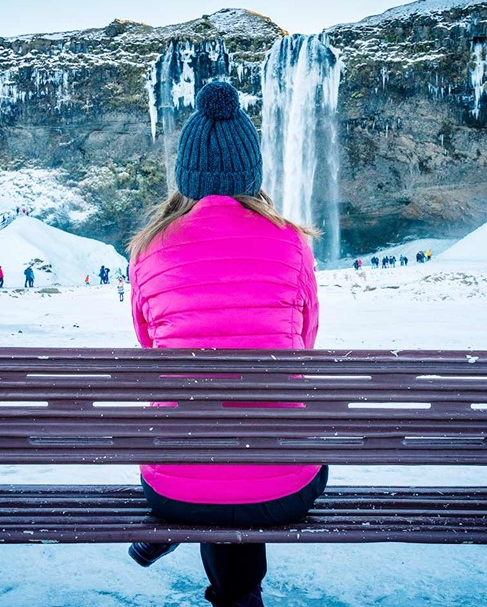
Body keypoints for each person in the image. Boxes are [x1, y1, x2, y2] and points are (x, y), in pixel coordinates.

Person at [126, 82, 325, 607]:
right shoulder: (291, 242)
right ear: (250, 173)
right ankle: (239, 594)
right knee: (248, 471)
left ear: (185, 176)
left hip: (176, 482)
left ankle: (177, 532)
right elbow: (303, 344)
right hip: (285, 485)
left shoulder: (149, 250)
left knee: (207, 473)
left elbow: (151, 347)